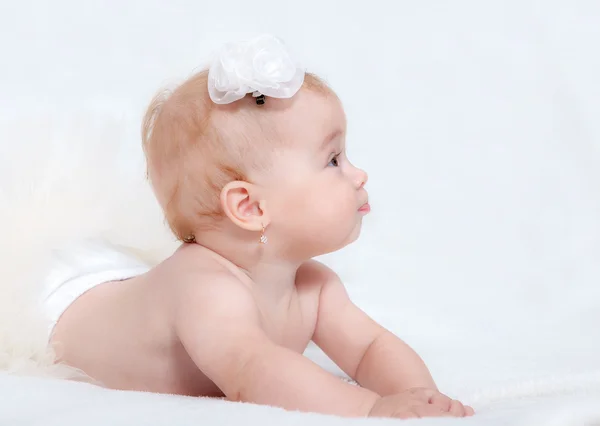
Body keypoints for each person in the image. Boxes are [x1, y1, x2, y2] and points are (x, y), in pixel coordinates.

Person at [46, 34, 474, 419]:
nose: (359, 174)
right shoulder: (204, 287)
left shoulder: (315, 286)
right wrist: (371, 409)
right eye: (332, 161)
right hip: (58, 299)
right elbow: (251, 371)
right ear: (249, 207)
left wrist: (419, 398)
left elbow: (369, 349)